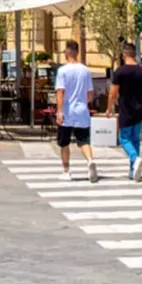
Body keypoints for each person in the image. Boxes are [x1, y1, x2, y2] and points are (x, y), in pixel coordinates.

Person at [110, 42, 142, 181]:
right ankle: (132, 170)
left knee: (123, 139)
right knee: (135, 140)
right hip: (139, 109)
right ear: (135, 55)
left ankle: (135, 160)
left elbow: (113, 93)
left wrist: (109, 108)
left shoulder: (120, 72)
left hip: (125, 109)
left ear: (124, 55)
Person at [55, 40, 97, 182]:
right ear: (77, 52)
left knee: (64, 143)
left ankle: (66, 171)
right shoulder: (85, 70)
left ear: (67, 52)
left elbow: (60, 92)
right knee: (84, 140)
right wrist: (84, 102)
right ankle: (90, 161)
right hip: (82, 110)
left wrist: (59, 111)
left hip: (67, 111)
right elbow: (90, 94)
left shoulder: (62, 71)